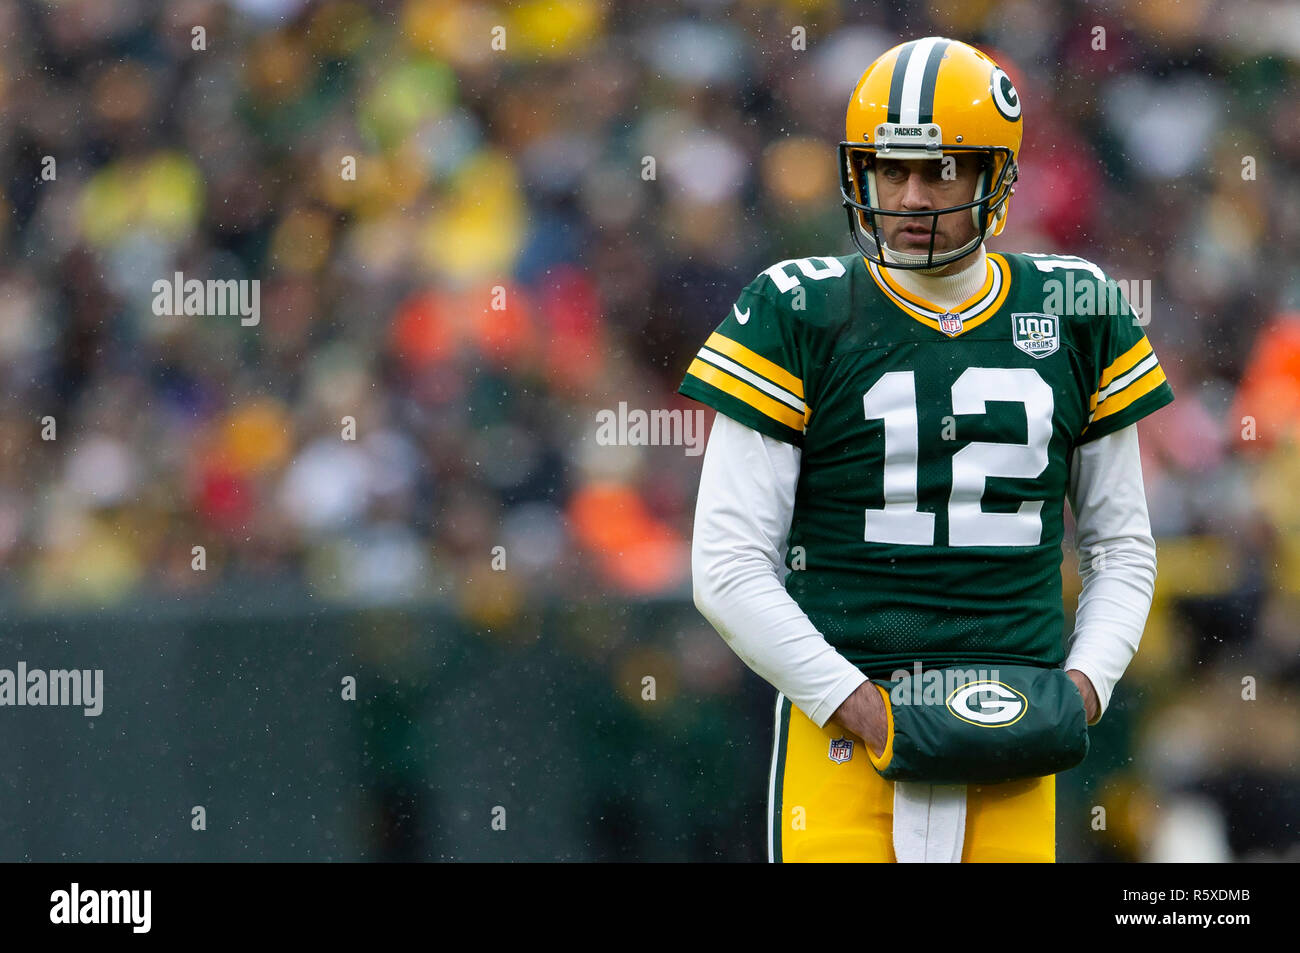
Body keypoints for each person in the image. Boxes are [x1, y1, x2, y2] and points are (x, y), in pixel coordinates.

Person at [679, 36, 1174, 862]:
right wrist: (862, 705)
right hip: (843, 733)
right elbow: (726, 566)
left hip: (1016, 728)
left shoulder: (1076, 306)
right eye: (889, 168)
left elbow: (1121, 544)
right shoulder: (799, 308)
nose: (911, 195)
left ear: (995, 175)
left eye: (940, 170)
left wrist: (1083, 688)